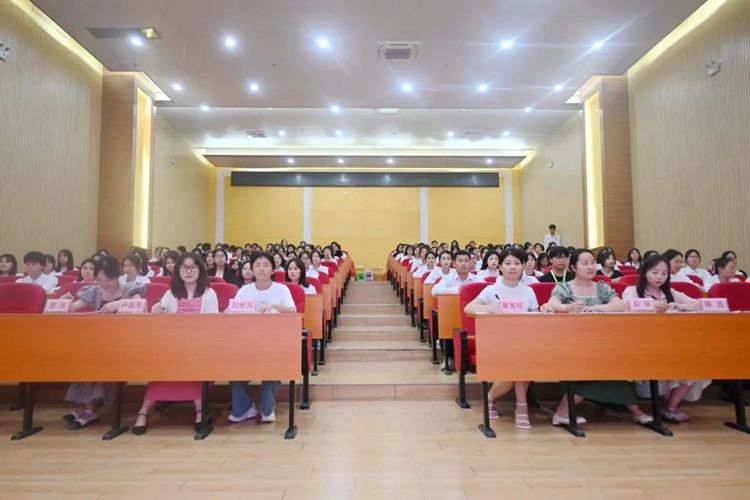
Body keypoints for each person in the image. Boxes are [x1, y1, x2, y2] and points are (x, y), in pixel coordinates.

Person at [540, 249, 653, 426]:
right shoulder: (564, 287)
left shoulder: (602, 287)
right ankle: (635, 411)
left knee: (612, 366)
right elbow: (553, 303)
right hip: (573, 345)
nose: (590, 266)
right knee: (601, 367)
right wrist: (567, 308)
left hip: (602, 343)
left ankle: (563, 413)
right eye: (584, 263)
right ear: (573, 267)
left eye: (592, 262)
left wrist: (596, 308)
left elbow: (620, 305)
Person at [132, 253, 219, 435]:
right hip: (173, 346)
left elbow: (213, 325)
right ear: (178, 271)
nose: (188, 271)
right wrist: (157, 311)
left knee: (192, 361)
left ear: (200, 270)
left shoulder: (209, 293)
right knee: (163, 365)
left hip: (199, 345)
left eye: (193, 267)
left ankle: (200, 410)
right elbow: (160, 319)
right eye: (184, 267)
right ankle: (143, 410)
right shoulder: (170, 293)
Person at [62, 256, 145, 429]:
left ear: (117, 275)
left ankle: (90, 408)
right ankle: (88, 407)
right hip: (99, 342)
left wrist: (118, 305)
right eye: (99, 280)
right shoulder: (94, 290)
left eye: (108, 280)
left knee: (99, 359)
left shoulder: (130, 289)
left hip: (125, 343)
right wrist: (66, 303)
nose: (104, 284)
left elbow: (139, 306)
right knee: (86, 356)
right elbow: (73, 308)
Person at [622, 255, 705, 423]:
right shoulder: (632, 291)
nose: (659, 277)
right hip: (644, 343)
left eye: (664, 273)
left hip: (672, 342)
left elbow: (699, 303)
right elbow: (627, 307)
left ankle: (670, 406)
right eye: (655, 272)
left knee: (695, 364)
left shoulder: (671, 293)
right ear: (644, 272)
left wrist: (680, 306)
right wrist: (651, 307)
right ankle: (667, 406)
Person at [464, 248, 538, 429]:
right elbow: (469, 308)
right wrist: (492, 308)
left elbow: (536, 319)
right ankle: (508, 403)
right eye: (508, 263)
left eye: (517, 263)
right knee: (517, 364)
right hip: (498, 343)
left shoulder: (528, 291)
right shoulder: (492, 290)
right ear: (500, 266)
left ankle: (519, 405)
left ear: (523, 266)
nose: (513, 267)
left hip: (524, 342)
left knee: (523, 358)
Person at [229, 252, 297, 424]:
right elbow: (232, 312)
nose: (261, 269)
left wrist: (275, 306)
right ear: (252, 269)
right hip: (247, 340)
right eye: (257, 265)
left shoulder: (282, 289)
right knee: (232, 366)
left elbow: (293, 311)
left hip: (274, 341)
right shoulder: (244, 291)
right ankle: (245, 408)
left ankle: (267, 408)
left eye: (266, 265)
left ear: (273, 270)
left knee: (272, 367)